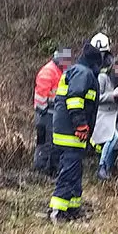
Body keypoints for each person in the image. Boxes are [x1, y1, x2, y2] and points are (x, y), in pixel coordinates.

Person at [48, 39, 104, 224]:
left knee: (75, 170)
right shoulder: (83, 73)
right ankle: (58, 211)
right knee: (69, 171)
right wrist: (80, 124)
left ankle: (72, 207)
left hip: (70, 131)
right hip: (70, 132)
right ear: (95, 62)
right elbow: (75, 99)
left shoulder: (80, 71)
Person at [32, 47, 73, 176]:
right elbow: (41, 96)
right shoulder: (48, 72)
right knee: (45, 143)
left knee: (50, 143)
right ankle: (41, 171)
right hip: (45, 113)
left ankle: (48, 170)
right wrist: (43, 110)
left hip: (51, 112)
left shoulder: (59, 71)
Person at [91, 56, 118, 180]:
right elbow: (96, 98)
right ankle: (101, 167)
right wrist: (112, 95)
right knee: (113, 137)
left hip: (114, 117)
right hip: (102, 115)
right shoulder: (103, 78)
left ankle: (107, 169)